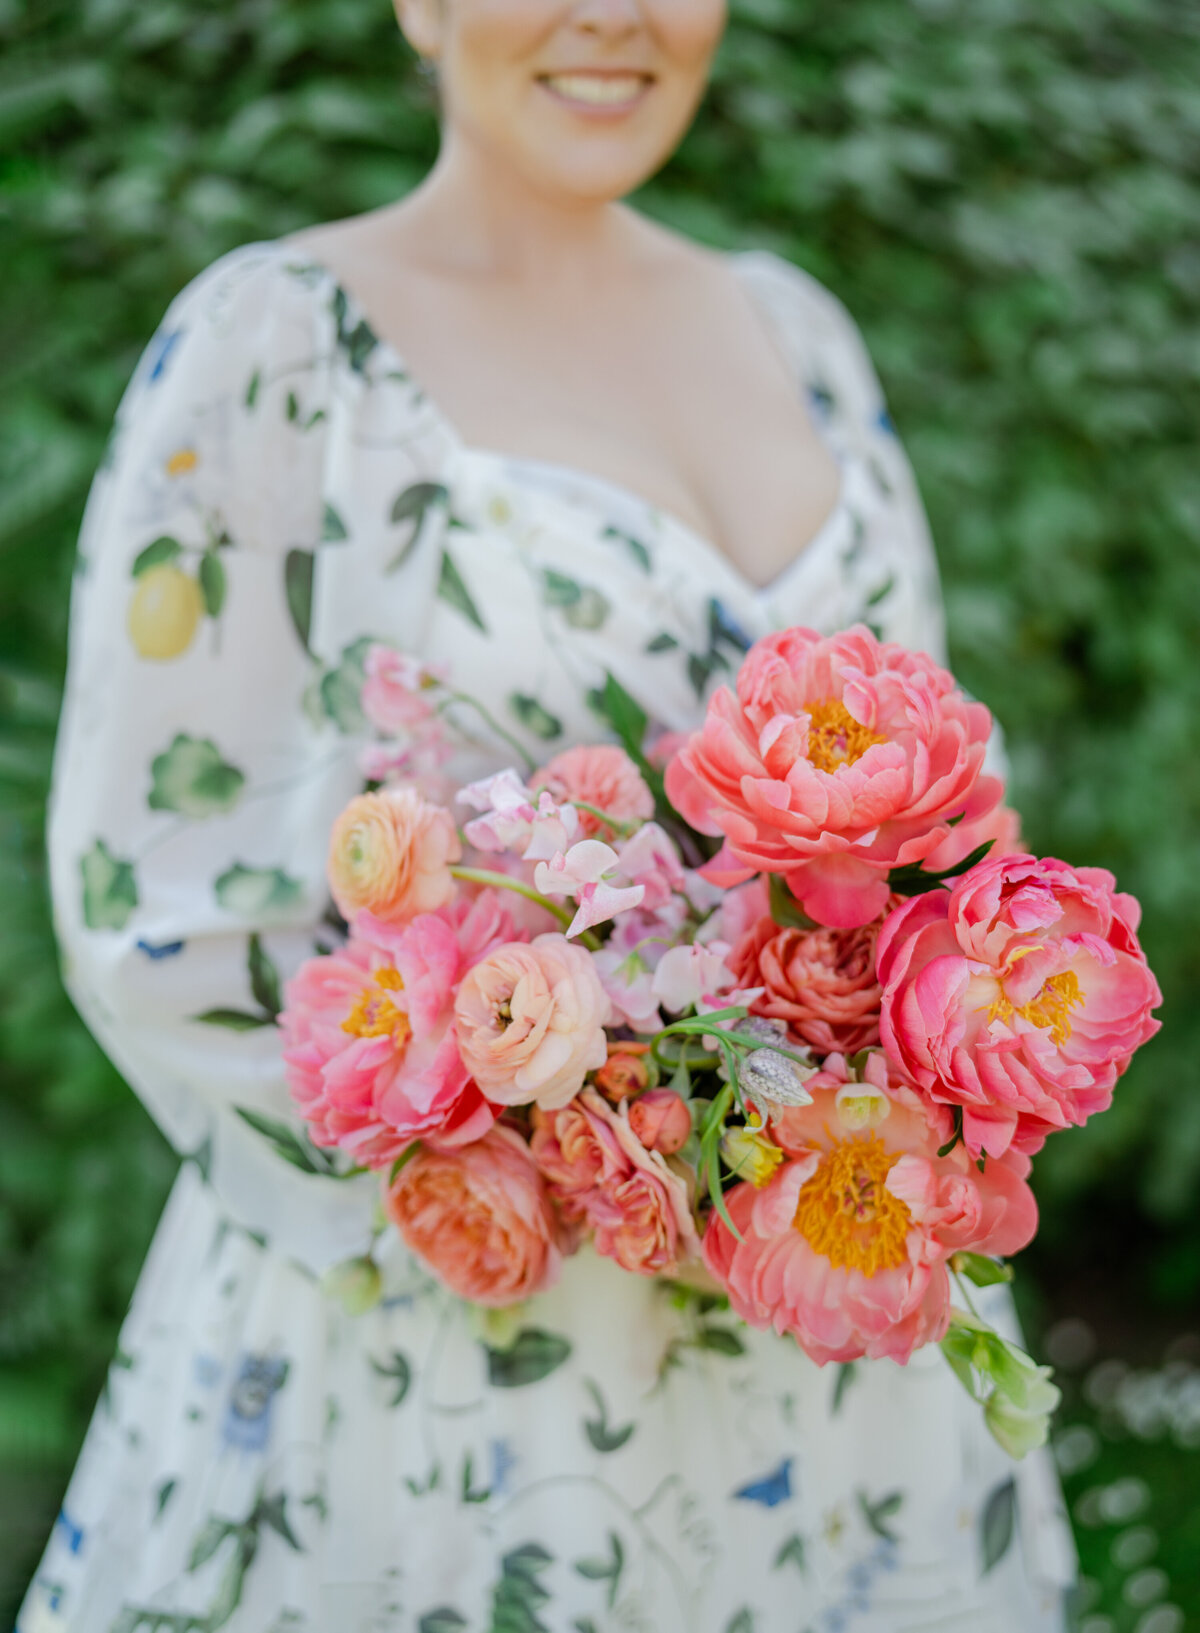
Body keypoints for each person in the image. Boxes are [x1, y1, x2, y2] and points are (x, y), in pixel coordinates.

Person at [22, 2, 1079, 1629]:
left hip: (843, 1331)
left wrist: (925, 1064)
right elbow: (151, 895)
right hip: (457, 1372)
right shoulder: (280, 347)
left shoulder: (797, 333)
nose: (616, 17)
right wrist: (581, 1165)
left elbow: (943, 819)